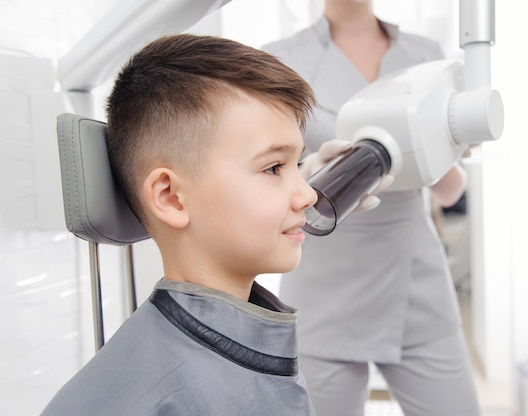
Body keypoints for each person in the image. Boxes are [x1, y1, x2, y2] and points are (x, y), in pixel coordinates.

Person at [41, 34, 320, 415]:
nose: (308, 195)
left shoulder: (249, 345)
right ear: (170, 197)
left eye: (298, 165)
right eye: (274, 167)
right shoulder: (138, 397)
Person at [263, 1, 481, 415]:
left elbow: (450, 190)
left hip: (414, 278)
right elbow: (265, 178)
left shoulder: (425, 53)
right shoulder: (281, 60)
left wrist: (443, 146)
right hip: (324, 287)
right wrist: (309, 171)